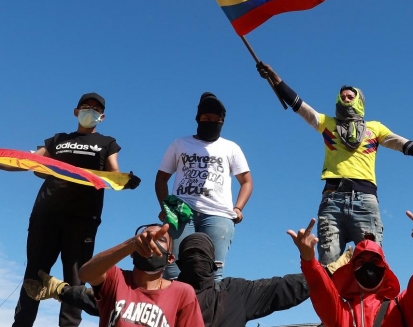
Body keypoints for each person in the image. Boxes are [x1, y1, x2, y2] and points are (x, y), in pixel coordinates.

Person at [257, 63, 413, 265]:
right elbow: (299, 105)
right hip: (332, 201)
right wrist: (276, 79)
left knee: (371, 265)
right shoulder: (327, 123)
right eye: (342, 97)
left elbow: (404, 145)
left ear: (360, 101)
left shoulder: (375, 128)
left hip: (365, 201)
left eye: (351, 97)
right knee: (329, 266)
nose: (346, 99)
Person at [5, 93, 134, 327]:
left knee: (75, 280)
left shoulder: (108, 143)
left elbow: (114, 174)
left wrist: (125, 181)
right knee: (34, 274)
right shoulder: (57, 139)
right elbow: (32, 162)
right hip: (46, 214)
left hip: (83, 219)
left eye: (96, 109)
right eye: (86, 107)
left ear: (102, 117)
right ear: (76, 111)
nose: (90, 111)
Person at [26, 232, 312, 327]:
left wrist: (326, 272)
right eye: (191, 255)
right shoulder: (173, 292)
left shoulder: (235, 291)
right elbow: (100, 298)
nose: (197, 260)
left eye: (201, 256)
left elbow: (287, 287)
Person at [155, 92, 253, 281]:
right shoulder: (180, 144)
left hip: (219, 214)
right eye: (207, 118)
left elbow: (247, 181)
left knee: (212, 273)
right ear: (198, 118)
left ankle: (207, 310)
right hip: (180, 210)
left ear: (223, 122)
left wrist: (238, 208)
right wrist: (164, 206)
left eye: (217, 119)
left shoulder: (231, 148)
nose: (212, 122)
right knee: (173, 270)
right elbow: (161, 178)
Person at [288, 211, 413, 327]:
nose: (368, 266)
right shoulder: (342, 312)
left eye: (374, 260)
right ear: (352, 270)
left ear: (384, 267)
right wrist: (309, 261)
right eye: (361, 262)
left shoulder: (401, 307)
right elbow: (321, 291)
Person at [77, 223, 204, 326]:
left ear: (170, 258)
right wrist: (130, 244)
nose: (151, 243)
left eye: (160, 239)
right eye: (145, 237)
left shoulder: (182, 293)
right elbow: (85, 274)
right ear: (133, 252)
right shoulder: (116, 278)